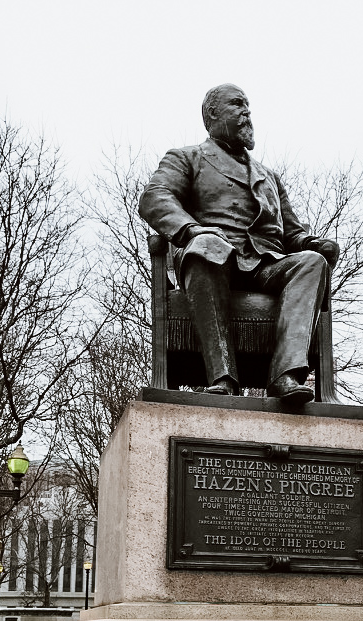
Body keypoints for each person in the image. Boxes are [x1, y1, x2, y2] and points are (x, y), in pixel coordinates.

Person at [139, 84, 340, 403]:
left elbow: (291, 234)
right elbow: (155, 198)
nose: (246, 111)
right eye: (236, 104)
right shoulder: (187, 158)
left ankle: (285, 376)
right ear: (212, 114)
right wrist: (192, 231)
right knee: (207, 248)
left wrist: (312, 243)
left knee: (312, 262)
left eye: (247, 105)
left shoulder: (268, 176)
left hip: (266, 264)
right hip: (216, 258)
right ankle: (223, 377)